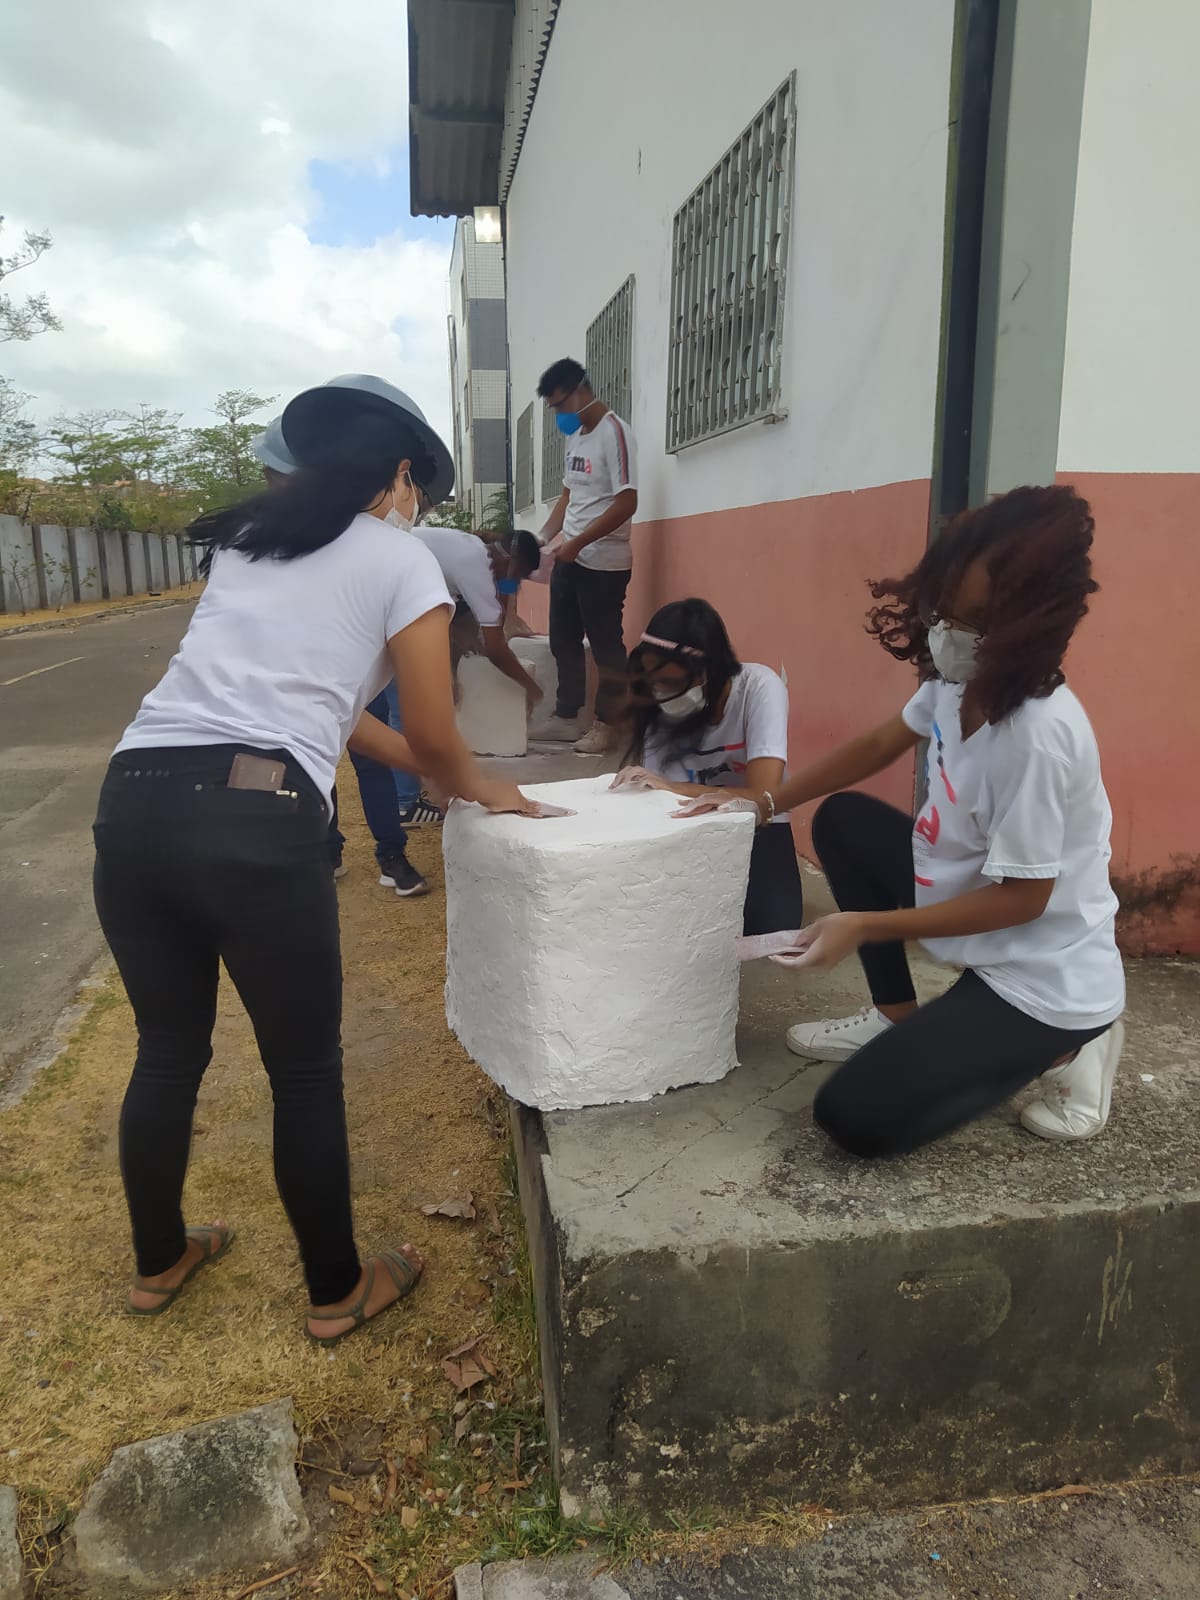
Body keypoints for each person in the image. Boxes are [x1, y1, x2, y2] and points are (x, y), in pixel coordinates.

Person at [94, 377, 548, 1344]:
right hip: (256, 817)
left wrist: (437, 770)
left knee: (166, 1049)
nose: (417, 506)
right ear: (398, 474)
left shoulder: (248, 544)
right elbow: (432, 727)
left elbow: (327, 716)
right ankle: (337, 1289)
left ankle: (159, 1258)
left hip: (133, 797)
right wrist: (478, 783)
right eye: (419, 489)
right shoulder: (400, 556)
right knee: (303, 1071)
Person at [678, 485, 1125, 1154]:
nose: (947, 632)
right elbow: (880, 743)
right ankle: (896, 1016)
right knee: (843, 821)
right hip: (974, 915)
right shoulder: (958, 683)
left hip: (1039, 972)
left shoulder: (1038, 735)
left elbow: (1024, 900)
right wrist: (763, 801)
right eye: (943, 610)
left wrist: (865, 925)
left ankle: (1071, 1045)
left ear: (1029, 622)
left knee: (854, 1117)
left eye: (972, 622)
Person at [251, 393, 432, 894]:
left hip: (350, 685)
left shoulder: (383, 551)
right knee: (317, 754)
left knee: (364, 760)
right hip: (298, 716)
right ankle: (326, 850)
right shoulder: (264, 547)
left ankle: (391, 853)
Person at [612, 598, 804, 936]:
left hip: (757, 822)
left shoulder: (759, 688)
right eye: (654, 682)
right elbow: (663, 803)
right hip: (691, 820)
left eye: (671, 683)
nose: (661, 693)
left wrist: (673, 788)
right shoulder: (657, 703)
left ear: (709, 672)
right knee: (665, 916)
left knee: (772, 927)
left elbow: (765, 796)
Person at [536, 357, 638, 756]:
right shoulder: (576, 436)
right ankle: (567, 716)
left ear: (580, 391)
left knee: (606, 645)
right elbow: (568, 494)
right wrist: (545, 536)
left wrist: (577, 543)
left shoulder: (616, 433)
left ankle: (607, 725)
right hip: (570, 558)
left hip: (604, 565)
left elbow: (627, 502)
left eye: (559, 405)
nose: (558, 415)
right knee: (562, 639)